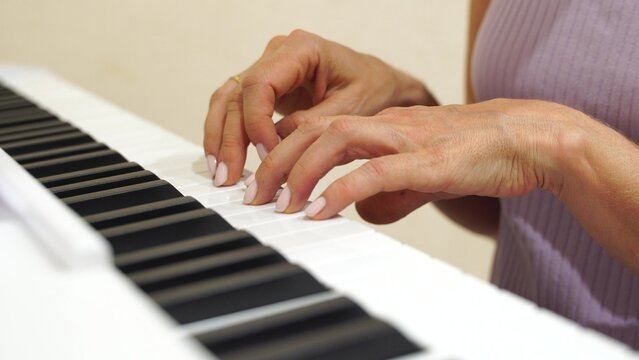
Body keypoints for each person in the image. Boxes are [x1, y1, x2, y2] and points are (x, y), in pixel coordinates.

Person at [203, 0, 639, 349]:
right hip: (513, 337)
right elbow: (512, 207)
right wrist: (404, 106)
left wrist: (557, 145)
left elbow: (532, 146)